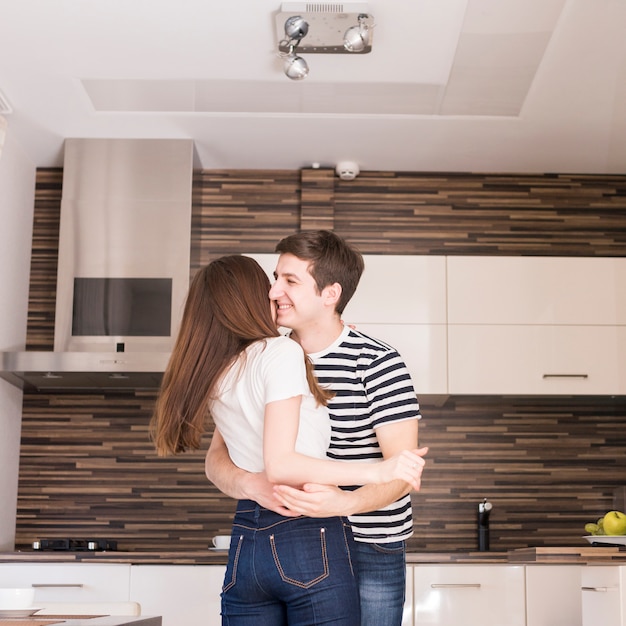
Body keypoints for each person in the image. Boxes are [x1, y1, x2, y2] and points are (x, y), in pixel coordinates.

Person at [150, 254, 426, 626]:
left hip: (369, 543)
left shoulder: (376, 361)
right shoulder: (268, 354)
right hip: (297, 529)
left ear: (330, 294)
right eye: (274, 277)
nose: (274, 289)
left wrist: (345, 501)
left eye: (289, 280)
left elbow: (400, 470)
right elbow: (220, 458)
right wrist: (251, 482)